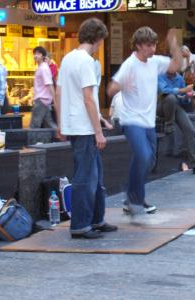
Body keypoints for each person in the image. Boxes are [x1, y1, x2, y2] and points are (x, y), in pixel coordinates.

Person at [107, 26, 182, 216]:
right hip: (131, 120)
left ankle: (131, 198)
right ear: (139, 46)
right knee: (143, 155)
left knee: (149, 160)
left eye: (155, 44)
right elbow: (110, 90)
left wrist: (173, 44)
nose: (154, 49)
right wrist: (121, 84)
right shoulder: (129, 65)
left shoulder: (154, 61)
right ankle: (135, 200)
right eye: (150, 45)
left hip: (148, 121)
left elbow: (176, 65)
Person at [56, 18, 117, 239]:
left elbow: (60, 93)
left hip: (76, 125)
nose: (102, 44)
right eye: (102, 40)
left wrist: (61, 123)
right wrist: (98, 131)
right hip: (84, 129)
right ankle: (80, 226)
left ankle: (97, 220)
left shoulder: (68, 59)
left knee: (96, 175)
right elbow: (88, 98)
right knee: (86, 178)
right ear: (97, 38)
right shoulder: (87, 62)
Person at [157, 71, 195, 174]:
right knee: (170, 97)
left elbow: (182, 100)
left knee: (190, 130)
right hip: (161, 107)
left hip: (176, 108)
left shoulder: (179, 78)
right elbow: (164, 91)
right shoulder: (160, 76)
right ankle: (169, 124)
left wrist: (187, 97)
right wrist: (182, 90)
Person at [30, 46, 57, 130]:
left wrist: (55, 100)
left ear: (43, 56)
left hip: (41, 101)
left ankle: (34, 142)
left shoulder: (44, 68)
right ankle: (61, 137)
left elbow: (50, 84)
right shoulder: (41, 67)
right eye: (34, 54)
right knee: (49, 124)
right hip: (43, 100)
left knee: (34, 126)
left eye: (38, 53)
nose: (36, 56)